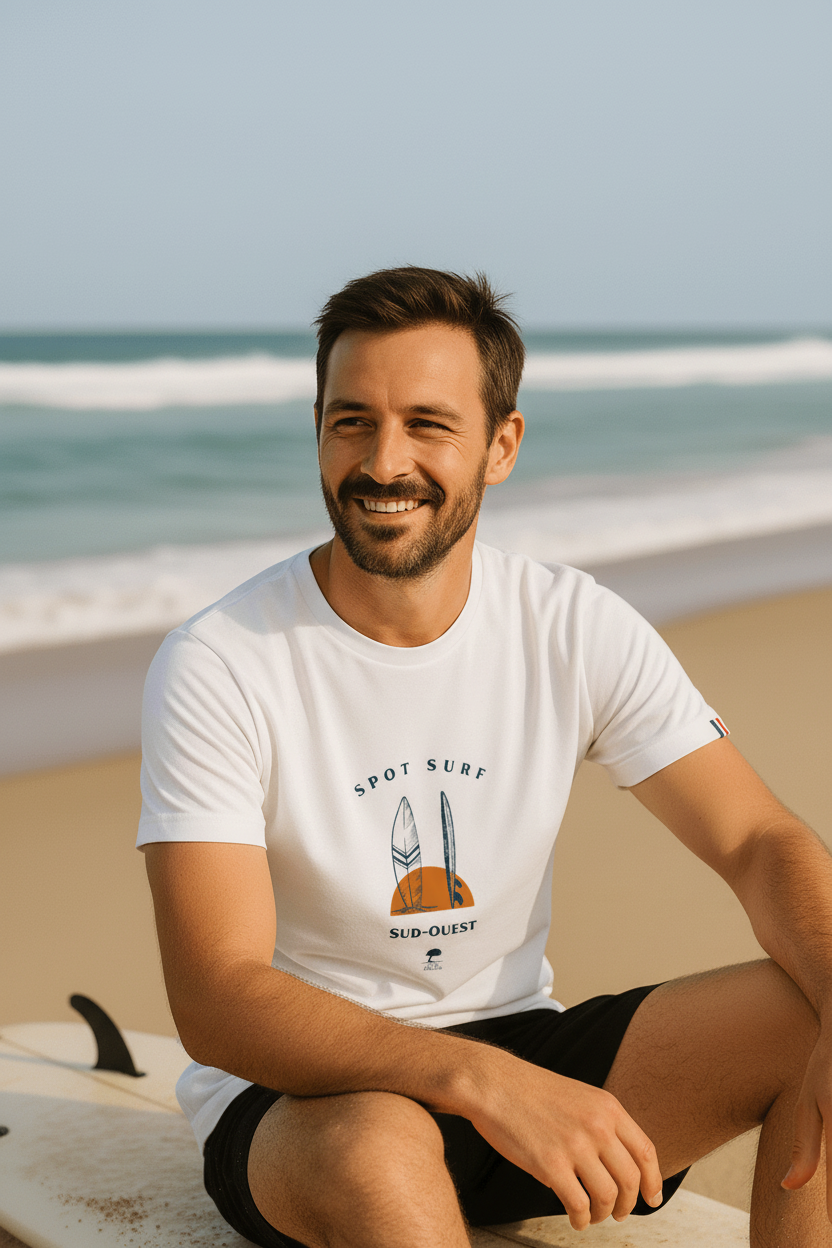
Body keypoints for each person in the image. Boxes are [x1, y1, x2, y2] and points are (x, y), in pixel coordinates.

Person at [139, 267, 832, 1248]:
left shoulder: (569, 624)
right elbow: (217, 996)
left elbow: (757, 838)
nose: (384, 462)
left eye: (427, 424)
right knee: (380, 1146)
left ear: (500, 445)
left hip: (518, 1052)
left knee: (811, 1009)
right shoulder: (223, 661)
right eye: (351, 422)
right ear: (318, 430)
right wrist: (480, 1081)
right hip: (307, 1099)